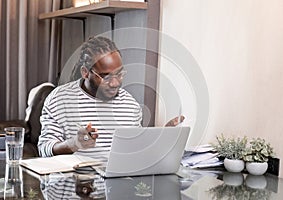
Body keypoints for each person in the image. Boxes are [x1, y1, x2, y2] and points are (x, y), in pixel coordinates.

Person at [38, 36, 184, 157]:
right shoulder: (59, 99)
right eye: (105, 77)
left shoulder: (129, 105)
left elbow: (136, 152)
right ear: (85, 72)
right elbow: (44, 149)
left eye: (119, 74)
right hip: (75, 186)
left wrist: (162, 139)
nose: (115, 83)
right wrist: (74, 143)